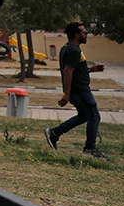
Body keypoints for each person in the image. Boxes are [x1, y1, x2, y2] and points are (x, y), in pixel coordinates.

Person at [45, 22, 107, 159]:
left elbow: (75, 69)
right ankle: (90, 149)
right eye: (84, 32)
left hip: (78, 90)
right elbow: (67, 72)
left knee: (85, 116)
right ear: (76, 35)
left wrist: (91, 70)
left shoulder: (68, 48)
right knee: (94, 116)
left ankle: (54, 133)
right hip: (80, 90)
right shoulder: (73, 50)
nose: (87, 35)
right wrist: (66, 94)